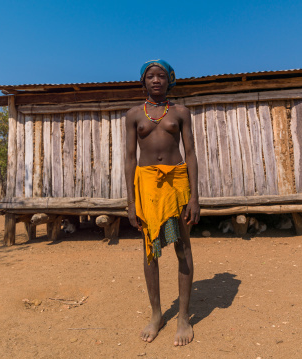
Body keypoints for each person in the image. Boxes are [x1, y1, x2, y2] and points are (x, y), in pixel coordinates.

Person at [125, 60, 200, 346]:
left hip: (177, 182)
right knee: (149, 250)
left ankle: (182, 316)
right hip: (146, 185)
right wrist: (131, 202)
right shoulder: (133, 115)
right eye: (150, 76)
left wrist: (195, 196)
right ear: (142, 82)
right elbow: (130, 157)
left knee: (183, 245)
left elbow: (190, 152)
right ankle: (156, 314)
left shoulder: (181, 112)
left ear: (170, 80)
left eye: (161, 75)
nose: (156, 80)